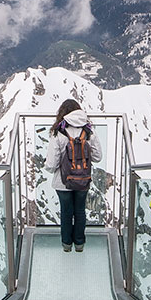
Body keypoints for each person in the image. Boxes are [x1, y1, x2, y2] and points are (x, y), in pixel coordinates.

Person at [45, 98, 103, 252]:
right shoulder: (89, 131)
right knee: (79, 211)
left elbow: (52, 163)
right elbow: (98, 157)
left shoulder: (58, 131)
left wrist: (52, 169)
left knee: (66, 212)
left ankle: (66, 244)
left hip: (62, 182)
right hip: (83, 180)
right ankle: (79, 244)